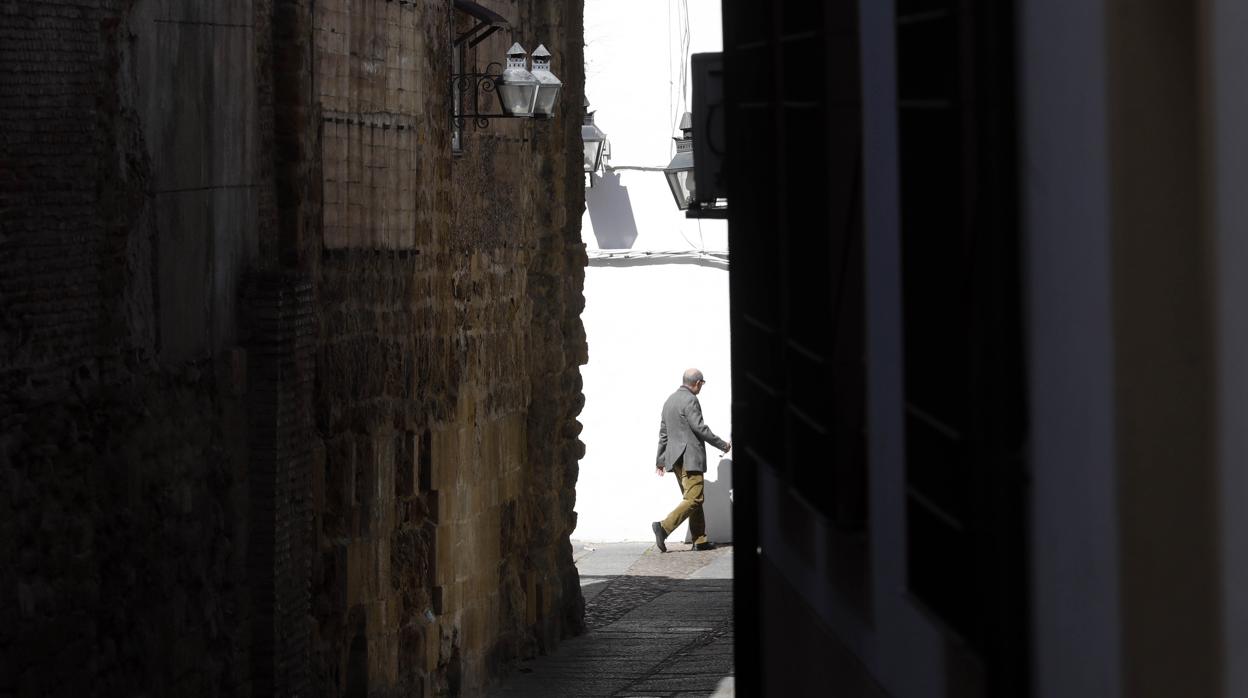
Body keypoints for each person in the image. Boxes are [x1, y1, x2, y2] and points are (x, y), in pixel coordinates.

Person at [651, 368, 730, 552]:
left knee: (693, 498)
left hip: (675, 459)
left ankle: (700, 540)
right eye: (702, 384)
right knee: (694, 498)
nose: (701, 387)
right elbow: (699, 428)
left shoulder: (669, 401)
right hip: (690, 457)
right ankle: (663, 527)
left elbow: (663, 433)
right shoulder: (691, 400)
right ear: (697, 383)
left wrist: (660, 460)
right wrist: (722, 445)